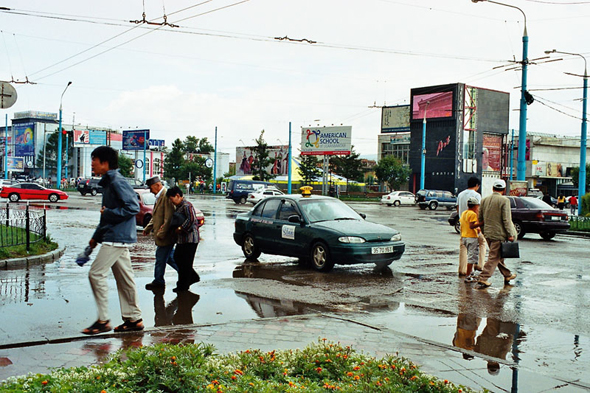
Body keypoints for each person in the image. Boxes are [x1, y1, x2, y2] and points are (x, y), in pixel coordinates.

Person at [82, 146, 143, 335]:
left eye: (95, 160)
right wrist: (95, 238)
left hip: (118, 237)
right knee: (125, 280)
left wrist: (109, 213)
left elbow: (133, 207)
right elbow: (106, 216)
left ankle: (103, 320)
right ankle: (134, 319)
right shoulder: (109, 182)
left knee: (95, 273)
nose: (92, 164)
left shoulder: (117, 181)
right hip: (114, 236)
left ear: (105, 163)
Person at [476, 179, 518, 289]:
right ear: (503, 190)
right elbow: (506, 219)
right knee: (494, 257)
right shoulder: (504, 201)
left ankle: (507, 275)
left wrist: (485, 231)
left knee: (498, 256)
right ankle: (483, 278)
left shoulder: (484, 200)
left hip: (488, 233)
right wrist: (510, 234)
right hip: (499, 234)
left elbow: (480, 218)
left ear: (493, 188)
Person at [143, 175, 179, 290]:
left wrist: (161, 234)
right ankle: (187, 273)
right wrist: (148, 228)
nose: (150, 191)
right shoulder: (159, 196)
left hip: (166, 235)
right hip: (163, 235)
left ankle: (158, 281)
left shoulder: (166, 196)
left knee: (160, 258)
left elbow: (168, 218)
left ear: (157, 185)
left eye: (151, 188)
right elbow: (156, 216)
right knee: (169, 258)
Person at [167, 186, 201, 292]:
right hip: (182, 239)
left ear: (178, 196)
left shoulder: (187, 205)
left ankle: (183, 285)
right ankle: (191, 278)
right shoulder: (179, 206)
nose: (171, 202)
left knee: (186, 262)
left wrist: (181, 228)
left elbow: (191, 219)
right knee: (178, 258)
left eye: (172, 199)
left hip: (190, 239)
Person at [456, 177, 486, 276]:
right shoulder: (477, 195)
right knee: (481, 243)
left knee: (463, 246)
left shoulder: (460, 194)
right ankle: (480, 265)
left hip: (463, 224)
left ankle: (463, 269)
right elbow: (478, 210)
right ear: (477, 185)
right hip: (474, 225)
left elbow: (457, 208)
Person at [461, 197, 483, 283]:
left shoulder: (464, 213)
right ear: (475, 206)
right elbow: (471, 225)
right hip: (471, 237)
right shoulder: (472, 214)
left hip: (464, 237)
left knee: (471, 255)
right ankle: (468, 276)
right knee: (471, 257)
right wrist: (481, 223)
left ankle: (471, 273)